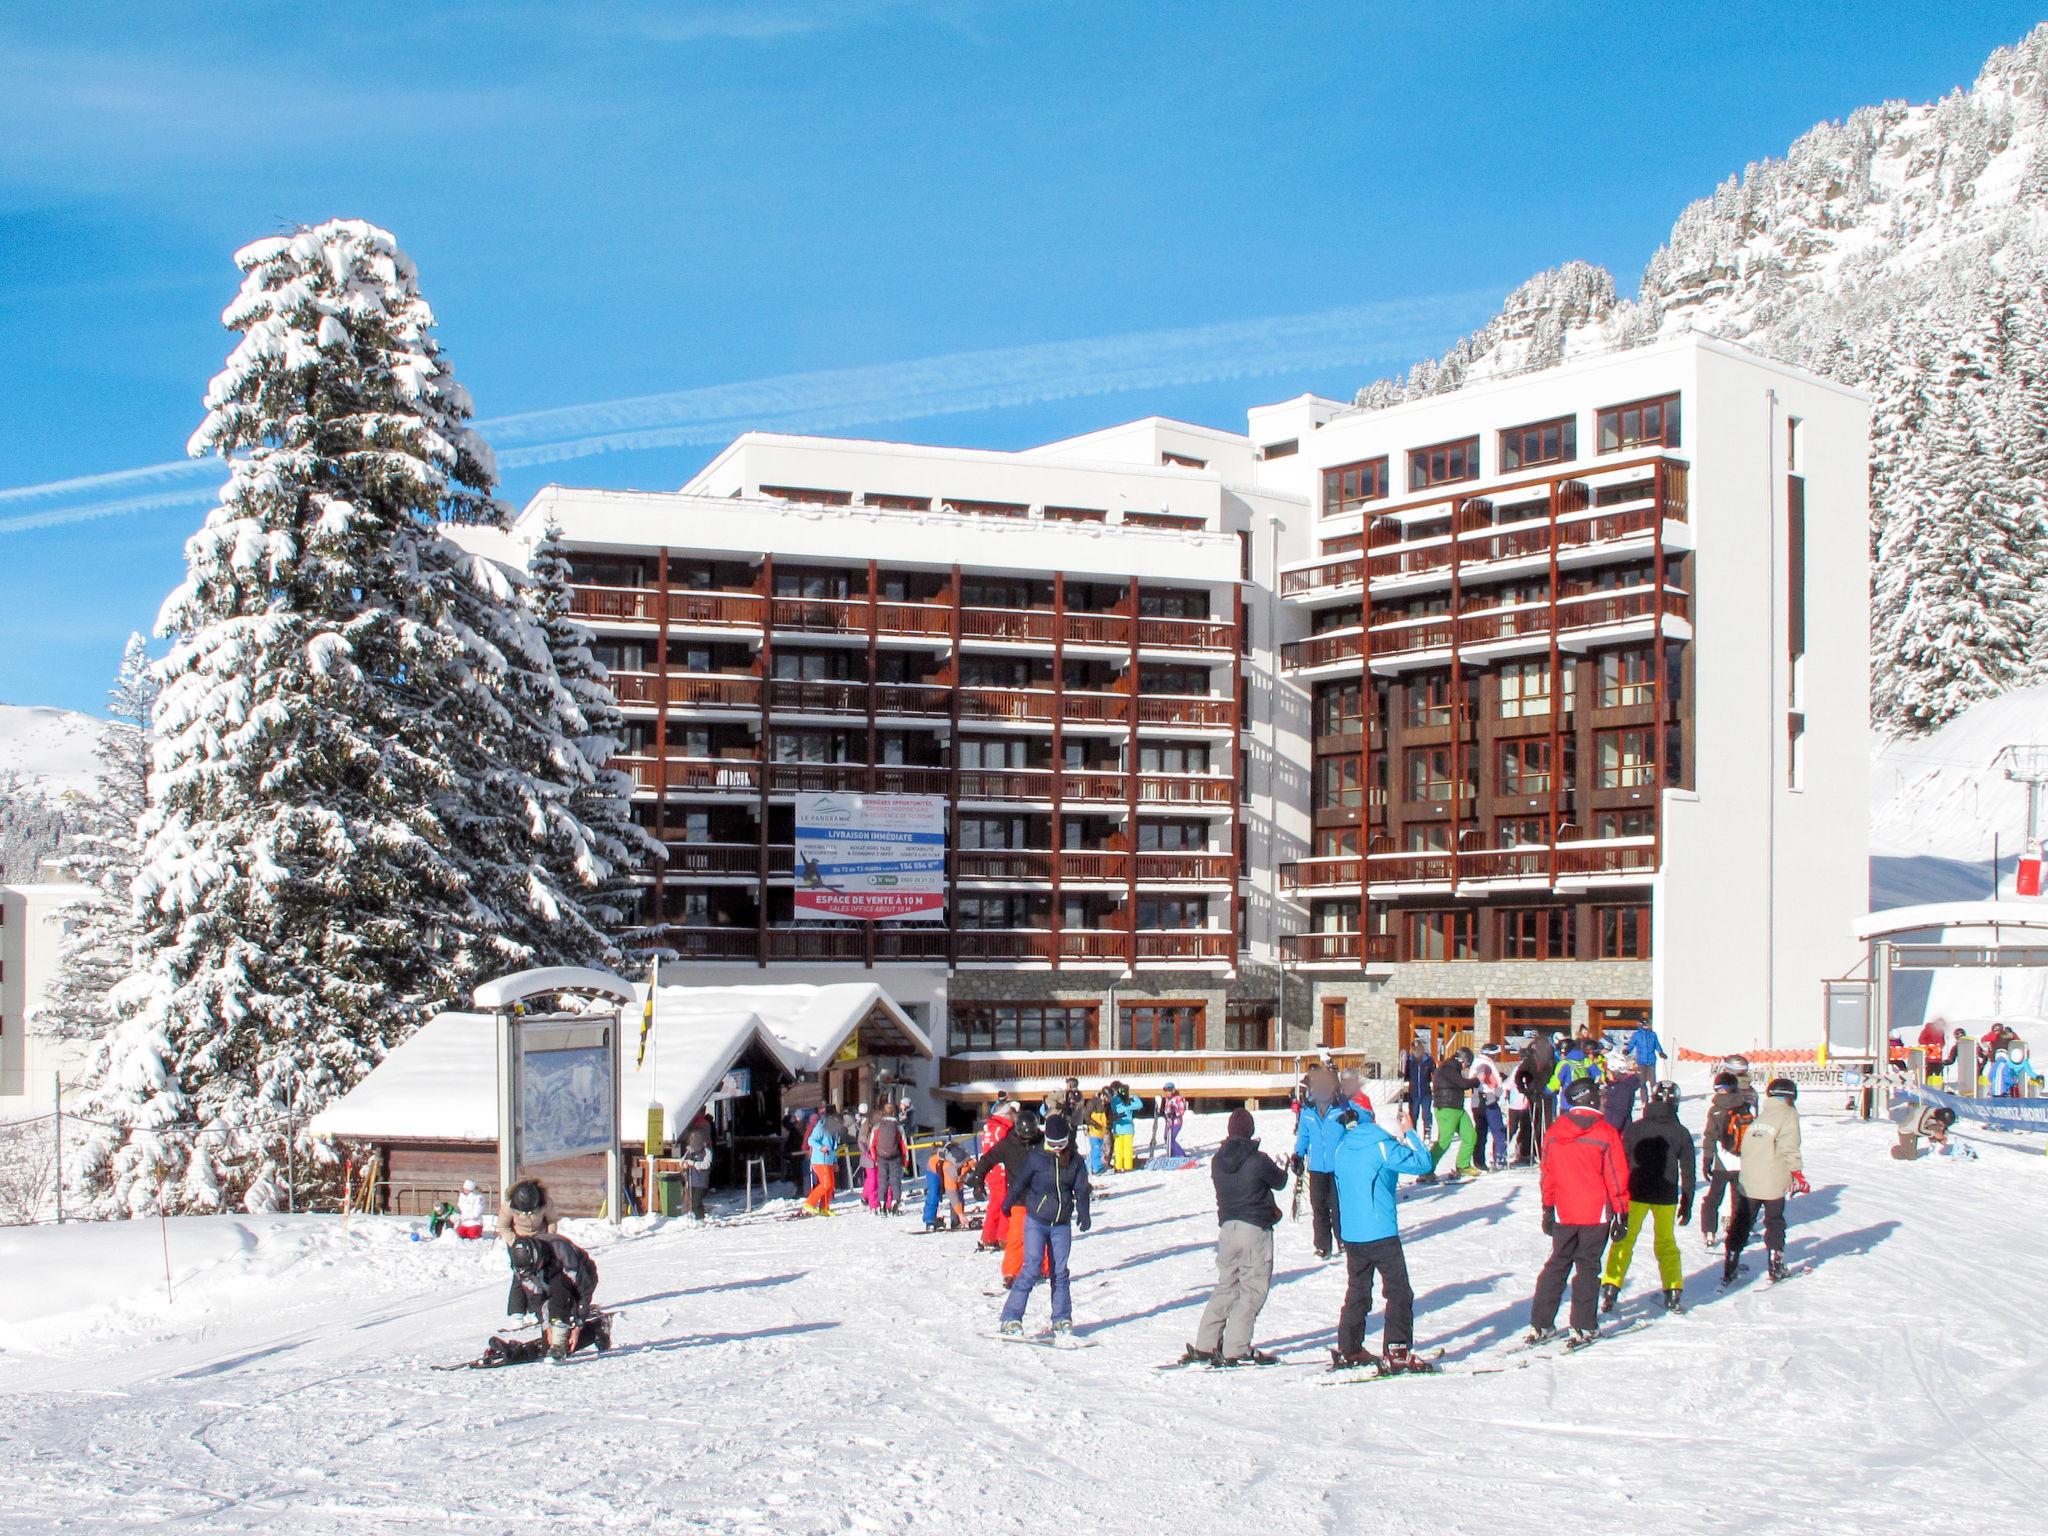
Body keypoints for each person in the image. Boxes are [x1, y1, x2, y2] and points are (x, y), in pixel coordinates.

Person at [1329, 1099, 1438, 1373]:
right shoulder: (1382, 1146)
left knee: (1358, 1291)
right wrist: (1411, 1132)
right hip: (1380, 1231)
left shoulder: (1344, 1146)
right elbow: (1423, 1164)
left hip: (1352, 1232)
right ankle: (1397, 1349)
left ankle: (1349, 1347)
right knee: (1399, 1291)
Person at [1179, 1107, 1286, 1367]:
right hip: (1254, 1229)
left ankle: (1206, 1343)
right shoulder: (1257, 1159)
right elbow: (1279, 1181)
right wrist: (1283, 1165)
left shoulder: (1218, 1160)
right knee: (1252, 1288)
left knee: (1226, 1284)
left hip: (1228, 1229)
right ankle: (1236, 1347)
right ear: (1250, 1131)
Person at [1527, 1075, 1629, 1347]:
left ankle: (1541, 1323)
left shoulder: (1554, 1131)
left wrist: (1548, 1207)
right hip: (1596, 1213)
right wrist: (1622, 1212)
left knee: (1557, 1263)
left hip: (1564, 1210)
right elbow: (1617, 1176)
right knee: (1587, 1268)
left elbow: (1547, 1174)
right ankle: (1583, 1326)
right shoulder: (1606, 1133)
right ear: (1592, 1100)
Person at [1599, 1081, 1696, 1315]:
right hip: (1666, 1194)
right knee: (1666, 1243)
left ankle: (1611, 1286)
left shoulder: (1635, 1128)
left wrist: (1616, 1196)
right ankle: (1672, 1290)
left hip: (1635, 1192)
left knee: (1624, 1240)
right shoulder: (1679, 1131)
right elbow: (1688, 1169)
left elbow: (1619, 1163)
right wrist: (1687, 1200)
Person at [998, 1112, 1092, 1344]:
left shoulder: (1076, 1161)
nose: (1057, 1149)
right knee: (1031, 1267)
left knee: (1060, 1272)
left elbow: (1081, 1189)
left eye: (1061, 1144)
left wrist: (1084, 1211)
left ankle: (1061, 1318)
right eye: (1052, 1144)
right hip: (1037, 1221)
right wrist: (1008, 1203)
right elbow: (1021, 1182)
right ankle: (1011, 1317)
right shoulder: (1037, 1157)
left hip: (1061, 1224)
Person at [1723, 1077, 1806, 1285]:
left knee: (1742, 1222)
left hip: (1750, 1179)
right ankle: (1775, 1266)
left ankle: (1730, 1265)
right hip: (1773, 1179)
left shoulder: (1761, 1117)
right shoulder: (1788, 1114)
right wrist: (1797, 1172)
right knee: (1774, 1222)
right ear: (1790, 1096)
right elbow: (1789, 1146)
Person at [508, 1232, 610, 1362]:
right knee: (548, 1346)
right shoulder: (522, 1269)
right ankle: (596, 1329)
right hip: (550, 1283)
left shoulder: (560, 1249)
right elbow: (537, 1299)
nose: (530, 1275)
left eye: (533, 1270)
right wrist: (547, 1327)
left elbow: (583, 1291)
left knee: (559, 1291)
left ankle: (560, 1341)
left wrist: (578, 1324)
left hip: (582, 1276)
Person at [1291, 1063, 1347, 1260]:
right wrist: (1298, 1155)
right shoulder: (1309, 1110)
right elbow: (1303, 1136)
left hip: (1338, 1166)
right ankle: (1323, 1245)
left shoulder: (1341, 1108)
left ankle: (1343, 1239)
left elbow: (1358, 1127)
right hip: (1316, 1167)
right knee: (1319, 1206)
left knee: (1339, 1206)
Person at [1699, 1070, 1757, 1248]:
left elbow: (1709, 1136)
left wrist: (1707, 1159)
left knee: (1713, 1198)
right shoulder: (1745, 1106)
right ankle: (1739, 1231)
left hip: (1722, 1162)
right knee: (1739, 1198)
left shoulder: (1716, 1110)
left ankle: (1709, 1231)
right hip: (1743, 1161)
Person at [1422, 1046, 1479, 1182]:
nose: (1466, 1067)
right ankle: (1426, 1170)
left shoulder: (1453, 1068)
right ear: (1462, 1060)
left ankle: (1463, 1165)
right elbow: (1462, 1084)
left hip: (1457, 1107)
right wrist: (1475, 1081)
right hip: (1446, 1108)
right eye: (1467, 1064)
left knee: (1470, 1135)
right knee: (1444, 1142)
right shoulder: (1447, 1067)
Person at [973, 1101, 1016, 1248]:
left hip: (991, 1170)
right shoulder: (1004, 1129)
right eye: (1010, 1113)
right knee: (1005, 1203)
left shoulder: (990, 1128)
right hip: (1002, 1170)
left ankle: (989, 1236)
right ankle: (1004, 1236)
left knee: (995, 1203)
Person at [867, 1104, 908, 1215]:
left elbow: (871, 1144)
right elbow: (904, 1144)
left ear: (883, 1112)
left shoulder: (877, 1126)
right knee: (895, 1181)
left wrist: (875, 1158)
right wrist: (905, 1160)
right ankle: (895, 1202)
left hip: (881, 1158)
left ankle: (882, 1205)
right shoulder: (898, 1126)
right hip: (895, 1157)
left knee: (882, 1181)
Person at [1473, 1046, 1508, 1171]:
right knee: (1498, 1130)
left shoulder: (1476, 1062)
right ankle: (1500, 1159)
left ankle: (1479, 1160)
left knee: (1481, 1131)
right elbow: (1493, 1083)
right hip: (1488, 1099)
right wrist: (1497, 1094)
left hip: (1476, 1099)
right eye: (1496, 1054)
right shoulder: (1486, 1065)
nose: (1497, 1056)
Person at [1890, 1100, 1962, 1160]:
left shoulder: (1939, 1116)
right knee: (1911, 1156)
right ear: (1939, 1118)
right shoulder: (1924, 1114)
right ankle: (1897, 1150)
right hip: (1908, 1131)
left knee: (1938, 1128)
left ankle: (1935, 1150)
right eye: (1942, 1123)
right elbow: (1918, 1130)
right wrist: (1935, 1134)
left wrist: (1944, 1136)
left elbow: (1944, 1127)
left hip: (1923, 1127)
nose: (1943, 1126)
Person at [804, 1109, 841, 1215]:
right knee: (826, 1184)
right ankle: (809, 1203)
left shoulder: (833, 1130)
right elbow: (811, 1140)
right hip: (820, 1160)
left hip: (829, 1160)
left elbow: (833, 1147)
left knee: (831, 1185)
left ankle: (824, 1208)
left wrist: (834, 1162)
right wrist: (821, 1147)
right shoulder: (820, 1127)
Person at [1401, 1040, 1436, 1138]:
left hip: (1426, 1092)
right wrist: (1402, 1075)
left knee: (1426, 1114)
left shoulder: (1428, 1060)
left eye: (1418, 1049)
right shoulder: (1409, 1060)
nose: (1417, 1052)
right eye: (1414, 1050)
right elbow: (1405, 1075)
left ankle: (1427, 1132)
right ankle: (1413, 1133)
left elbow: (1435, 1073)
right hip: (1413, 1093)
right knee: (1413, 1114)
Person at [1601, 1055, 1644, 1131]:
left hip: (1616, 1130)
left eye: (1608, 1072)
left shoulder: (1622, 1088)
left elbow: (1619, 1112)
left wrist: (1610, 1131)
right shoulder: (1617, 1086)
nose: (1607, 1075)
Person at [680, 1124, 713, 1221]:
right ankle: (698, 1218)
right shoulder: (690, 1151)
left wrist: (694, 1163)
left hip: (701, 1181)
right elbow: (682, 1161)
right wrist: (684, 1164)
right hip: (691, 1180)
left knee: (696, 1202)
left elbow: (706, 1164)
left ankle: (700, 1219)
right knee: (692, 1202)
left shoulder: (706, 1151)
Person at [1108, 1082, 1143, 1173]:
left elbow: (1113, 1107)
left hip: (1118, 1128)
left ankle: (1118, 1166)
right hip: (1128, 1128)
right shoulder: (1128, 1102)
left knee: (1118, 1149)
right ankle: (1128, 1166)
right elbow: (1139, 1105)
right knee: (1128, 1148)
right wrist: (1132, 1096)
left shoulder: (1115, 1101)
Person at [1627, 1020, 1669, 1084]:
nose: (1648, 1026)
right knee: (1642, 1081)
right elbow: (1631, 1044)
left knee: (1652, 1080)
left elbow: (1657, 1044)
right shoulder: (1637, 1035)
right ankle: (1643, 1094)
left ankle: (1653, 1093)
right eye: (1646, 1024)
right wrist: (1627, 1050)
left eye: (1648, 1024)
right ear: (1641, 1025)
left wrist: (1660, 1052)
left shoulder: (1653, 1034)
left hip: (1651, 1060)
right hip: (1641, 1061)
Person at [1161, 1083, 1190, 1158]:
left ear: (1173, 1091)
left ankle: (1181, 1155)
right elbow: (1167, 1110)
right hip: (1169, 1122)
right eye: (1166, 1091)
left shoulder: (1178, 1098)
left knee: (1171, 1139)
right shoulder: (1167, 1099)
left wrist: (1175, 1113)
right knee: (1166, 1138)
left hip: (1176, 1122)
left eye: (1169, 1091)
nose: (1168, 1093)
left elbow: (1181, 1110)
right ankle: (1173, 1154)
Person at [1085, 1093, 1110, 1176]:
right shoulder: (1093, 1103)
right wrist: (1094, 1124)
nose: (1107, 1099)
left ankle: (1089, 1167)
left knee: (1096, 1149)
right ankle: (1097, 1168)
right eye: (1106, 1097)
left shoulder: (1104, 1104)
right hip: (1094, 1131)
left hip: (1101, 1132)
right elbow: (1086, 1116)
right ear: (1103, 1095)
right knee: (1096, 1149)